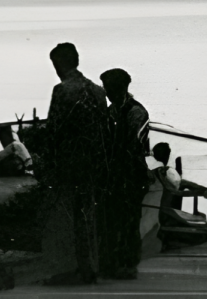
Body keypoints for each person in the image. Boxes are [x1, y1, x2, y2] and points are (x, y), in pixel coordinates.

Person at [42, 43, 108, 285]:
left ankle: (71, 269)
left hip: (70, 163)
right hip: (94, 163)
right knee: (88, 215)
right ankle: (89, 267)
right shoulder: (98, 91)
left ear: (59, 64)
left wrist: (48, 162)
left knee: (67, 217)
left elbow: (54, 130)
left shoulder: (62, 90)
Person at [98, 68, 151, 279]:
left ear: (121, 88)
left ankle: (128, 265)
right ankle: (114, 263)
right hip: (115, 175)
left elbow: (133, 147)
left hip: (131, 175)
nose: (106, 92)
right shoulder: (112, 111)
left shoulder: (136, 112)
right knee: (113, 221)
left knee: (129, 222)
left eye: (109, 88)